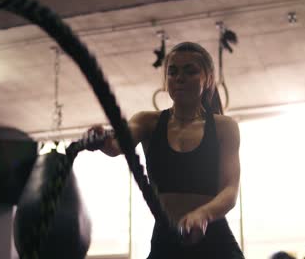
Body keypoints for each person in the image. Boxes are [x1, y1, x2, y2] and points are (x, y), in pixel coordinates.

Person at [86, 42, 244, 258]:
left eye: (190, 71)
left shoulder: (224, 127)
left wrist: (203, 215)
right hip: (166, 239)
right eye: (173, 72)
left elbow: (230, 190)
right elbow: (116, 145)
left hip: (214, 238)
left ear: (207, 79)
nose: (180, 78)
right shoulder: (146, 122)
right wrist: (101, 139)